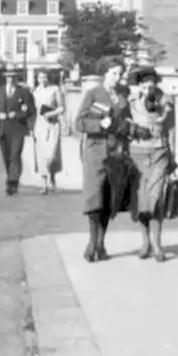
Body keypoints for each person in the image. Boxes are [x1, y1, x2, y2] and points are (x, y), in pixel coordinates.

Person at [74, 62, 135, 262]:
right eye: (114, 72)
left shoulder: (123, 99)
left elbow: (128, 124)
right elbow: (79, 122)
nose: (117, 77)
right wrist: (99, 124)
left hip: (115, 154)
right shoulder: (94, 94)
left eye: (120, 73)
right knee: (94, 197)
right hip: (95, 151)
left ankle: (101, 244)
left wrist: (127, 131)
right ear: (105, 74)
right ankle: (92, 244)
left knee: (109, 198)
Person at [126, 67, 175, 262]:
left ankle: (157, 244)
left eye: (152, 81)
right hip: (137, 152)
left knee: (157, 198)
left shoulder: (166, 99)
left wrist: (172, 155)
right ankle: (145, 242)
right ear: (139, 84)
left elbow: (170, 128)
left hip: (159, 152)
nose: (148, 85)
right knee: (142, 200)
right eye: (144, 82)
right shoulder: (131, 100)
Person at [0, 70, 34, 196]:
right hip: (2, 128)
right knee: (6, 156)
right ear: (5, 78)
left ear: (16, 78)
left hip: (18, 128)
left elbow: (30, 110)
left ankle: (12, 182)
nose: (10, 79)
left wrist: (18, 114)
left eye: (12, 76)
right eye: (8, 76)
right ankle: (10, 176)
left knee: (15, 154)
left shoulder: (24, 92)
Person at [31, 71, 65, 194]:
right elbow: (33, 110)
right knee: (41, 154)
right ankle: (44, 183)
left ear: (48, 78)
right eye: (40, 77)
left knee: (52, 154)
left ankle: (52, 178)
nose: (42, 79)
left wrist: (51, 113)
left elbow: (62, 108)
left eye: (44, 77)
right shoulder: (35, 92)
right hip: (39, 125)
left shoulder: (55, 90)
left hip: (52, 124)